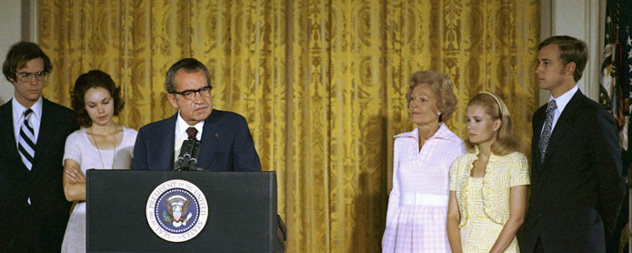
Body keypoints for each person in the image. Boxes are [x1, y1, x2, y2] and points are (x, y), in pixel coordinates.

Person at [521, 35, 626, 253]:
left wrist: (595, 232)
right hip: (537, 240)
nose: (538, 69)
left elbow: (612, 186)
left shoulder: (594, 117)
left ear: (570, 68)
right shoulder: (540, 116)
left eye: (546, 63)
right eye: (538, 63)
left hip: (579, 241)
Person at [0, 42, 78, 252]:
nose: (34, 82)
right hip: (6, 230)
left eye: (39, 74)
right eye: (25, 75)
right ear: (11, 76)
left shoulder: (65, 120)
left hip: (52, 228)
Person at [382, 70, 466, 252]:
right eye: (412, 98)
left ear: (440, 107)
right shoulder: (401, 142)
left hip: (438, 230)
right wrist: (389, 235)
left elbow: (460, 199)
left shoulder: (455, 146)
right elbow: (396, 193)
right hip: (403, 227)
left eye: (423, 100)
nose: (414, 104)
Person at [131, 58, 261, 171]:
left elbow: (251, 183)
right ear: (173, 100)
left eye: (204, 90)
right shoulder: (149, 135)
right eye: (189, 94)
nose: (200, 100)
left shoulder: (233, 126)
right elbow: (139, 188)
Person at [60, 70, 138, 252]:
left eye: (105, 102)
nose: (101, 110)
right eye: (92, 105)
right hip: (84, 224)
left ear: (114, 99)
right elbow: (71, 192)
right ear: (83, 107)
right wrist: (118, 187)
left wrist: (89, 185)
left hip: (124, 223)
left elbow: (138, 189)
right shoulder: (75, 140)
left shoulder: (134, 138)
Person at [446, 92, 529, 253]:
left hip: (502, 248)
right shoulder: (460, 164)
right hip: (466, 246)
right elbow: (452, 217)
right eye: (468, 120)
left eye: (477, 120)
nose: (470, 126)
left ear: (496, 124)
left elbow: (517, 218)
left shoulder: (515, 161)